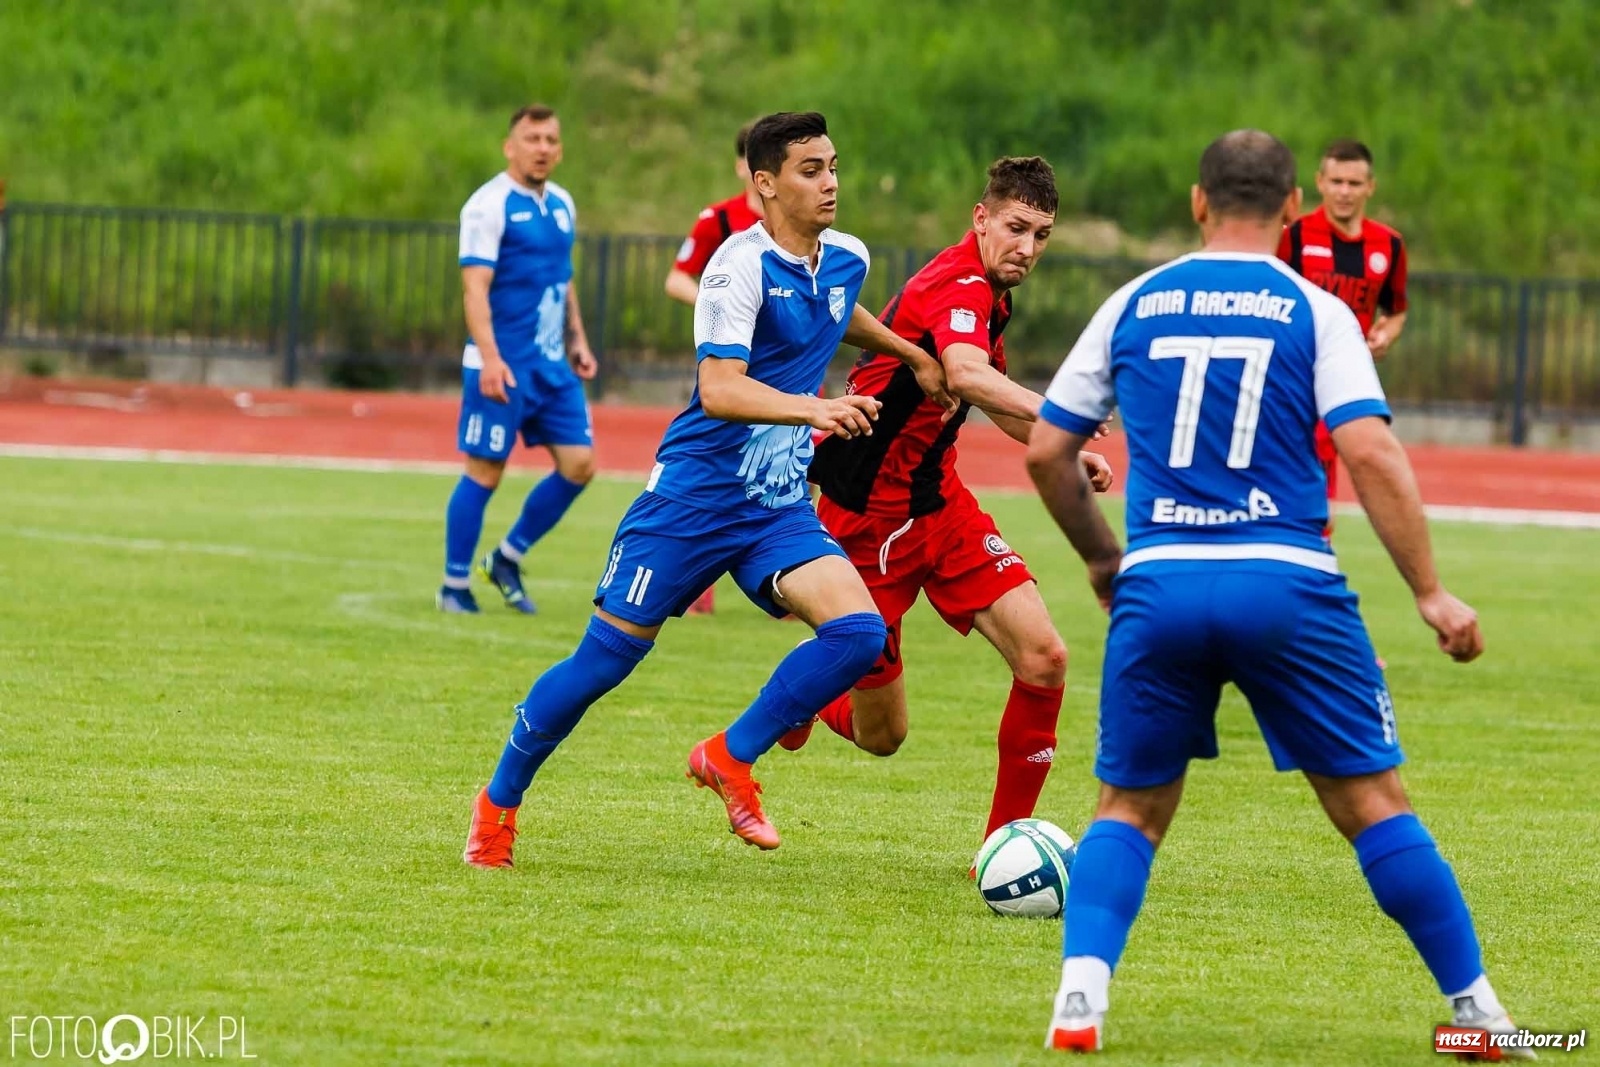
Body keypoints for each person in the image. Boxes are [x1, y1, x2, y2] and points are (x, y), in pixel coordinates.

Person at [1027, 130, 1527, 1057]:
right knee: (1376, 803)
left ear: (1197, 203)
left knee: (1127, 809)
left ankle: (1079, 1000)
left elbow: (1048, 450)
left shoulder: (1133, 301)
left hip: (1162, 579)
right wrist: (1429, 591)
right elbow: (1370, 449)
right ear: (1295, 205)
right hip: (1285, 579)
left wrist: (1103, 560)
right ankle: (1480, 1016)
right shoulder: (1313, 310)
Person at [463, 112, 956, 867]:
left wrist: (909, 352)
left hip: (775, 505)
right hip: (690, 499)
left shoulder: (846, 257)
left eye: (832, 166)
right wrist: (814, 408)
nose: (830, 182)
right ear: (764, 184)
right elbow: (719, 388)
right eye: (809, 170)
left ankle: (730, 756)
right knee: (602, 664)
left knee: (859, 634)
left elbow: (834, 313)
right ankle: (497, 802)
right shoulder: (735, 268)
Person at [786, 156, 1114, 855]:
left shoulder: (993, 291)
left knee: (1046, 657)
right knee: (884, 736)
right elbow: (966, 372)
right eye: (1016, 228)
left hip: (941, 505)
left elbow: (986, 391)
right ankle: (805, 691)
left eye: (1042, 235)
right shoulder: (958, 282)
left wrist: (1061, 447)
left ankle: (1002, 849)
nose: (1027, 247)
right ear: (982, 218)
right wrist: (1067, 414)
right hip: (867, 518)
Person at [438, 104, 598, 615]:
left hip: (552, 365)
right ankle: (453, 586)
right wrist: (489, 357)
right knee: (485, 472)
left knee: (580, 465)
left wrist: (578, 339)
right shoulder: (488, 205)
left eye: (551, 139)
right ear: (511, 146)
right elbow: (474, 287)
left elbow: (562, 276)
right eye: (532, 138)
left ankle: (507, 557)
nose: (543, 148)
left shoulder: (563, 204)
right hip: (502, 364)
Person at [1277, 139, 1409, 533]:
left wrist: (1387, 334)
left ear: (1371, 187)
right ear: (1319, 182)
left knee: (1349, 469)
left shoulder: (1388, 245)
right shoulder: (1295, 236)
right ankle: (1310, 551)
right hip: (1298, 380)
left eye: (1354, 183)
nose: (1344, 192)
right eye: (1336, 181)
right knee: (1311, 474)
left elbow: (1396, 309)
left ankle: (1311, 550)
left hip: (1350, 380)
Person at [664, 122, 765, 615]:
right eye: (753, 157)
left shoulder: (801, 226)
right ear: (742, 166)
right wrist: (720, 304)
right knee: (713, 461)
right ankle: (697, 573)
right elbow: (677, 279)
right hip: (731, 364)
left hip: (788, 366)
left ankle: (789, 569)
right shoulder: (719, 220)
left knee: (806, 458)